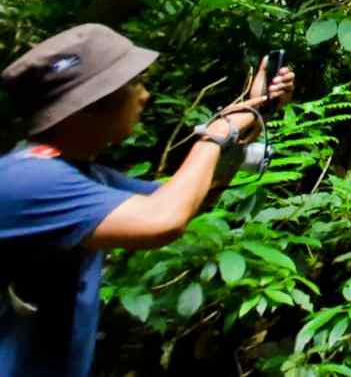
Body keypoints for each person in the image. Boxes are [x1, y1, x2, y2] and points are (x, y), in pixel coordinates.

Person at [1, 24, 294, 377]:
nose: (144, 96)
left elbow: (192, 199)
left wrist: (252, 115)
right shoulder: (30, 179)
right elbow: (164, 220)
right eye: (133, 84)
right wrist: (215, 135)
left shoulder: (76, 173)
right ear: (91, 103)